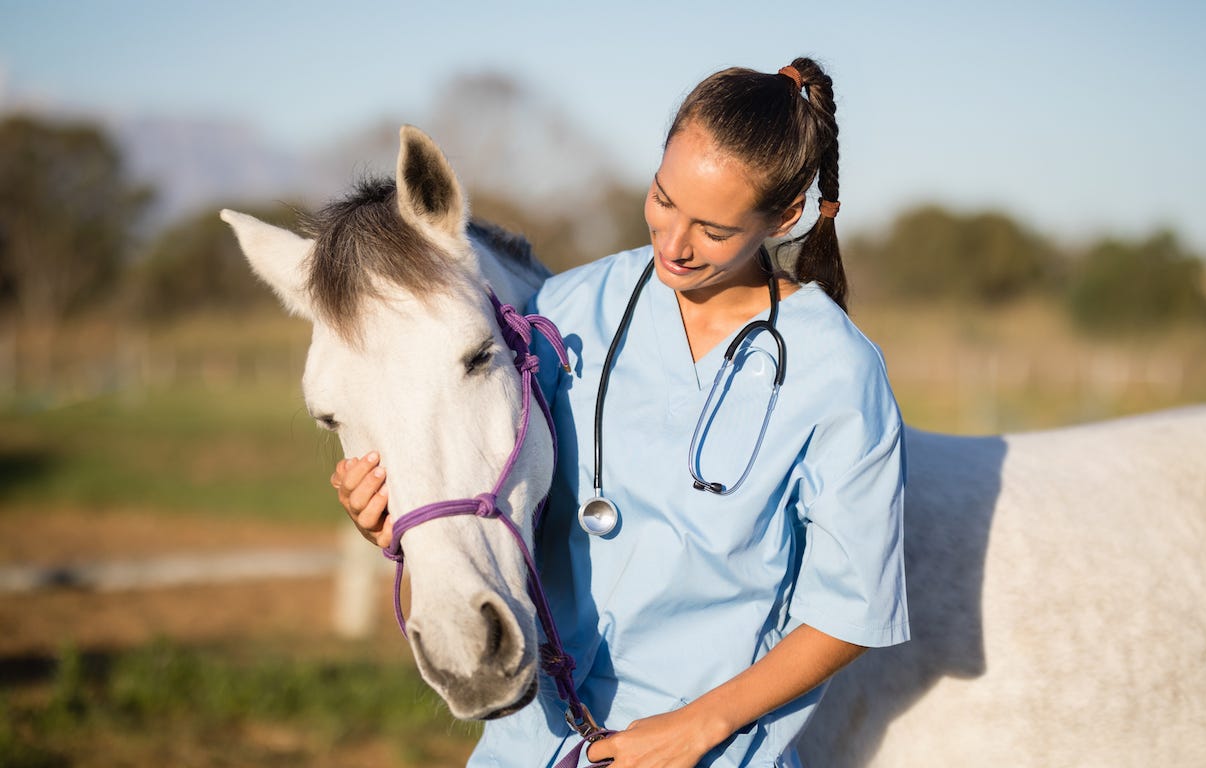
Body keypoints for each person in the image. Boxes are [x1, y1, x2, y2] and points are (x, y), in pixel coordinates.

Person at [332, 58, 909, 768]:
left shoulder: (838, 371)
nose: (674, 243)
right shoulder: (559, 313)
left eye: (713, 229)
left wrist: (697, 728)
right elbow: (488, 483)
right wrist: (394, 521)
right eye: (663, 198)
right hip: (532, 747)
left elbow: (852, 609)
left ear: (785, 217)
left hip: (712, 752)